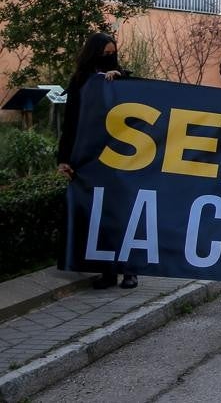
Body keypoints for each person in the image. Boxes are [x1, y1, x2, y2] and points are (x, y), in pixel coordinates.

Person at [56, 33, 139, 290]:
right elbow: (71, 124)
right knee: (97, 217)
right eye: (105, 53)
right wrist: (64, 159)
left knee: (122, 215)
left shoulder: (121, 78)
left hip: (120, 158)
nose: (109, 58)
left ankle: (129, 270)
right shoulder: (80, 82)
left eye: (112, 53)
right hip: (91, 159)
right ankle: (106, 271)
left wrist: (119, 80)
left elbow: (138, 104)